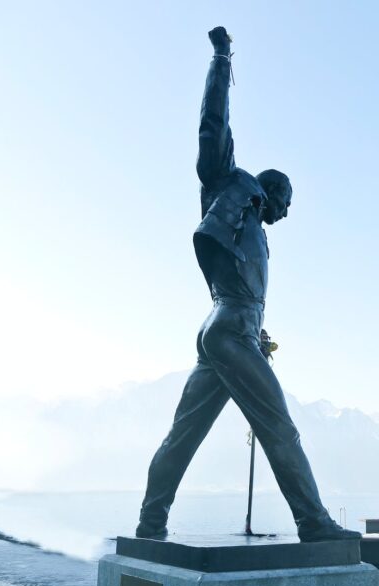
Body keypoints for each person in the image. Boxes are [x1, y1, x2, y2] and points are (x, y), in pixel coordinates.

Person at [135, 27, 359, 542]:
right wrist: (221, 59)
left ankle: (150, 526)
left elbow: (241, 285)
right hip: (227, 328)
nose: (289, 209)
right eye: (289, 198)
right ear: (273, 187)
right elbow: (213, 124)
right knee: (279, 425)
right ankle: (314, 524)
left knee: (183, 437)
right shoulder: (229, 184)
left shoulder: (252, 229)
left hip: (228, 330)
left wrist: (258, 332)